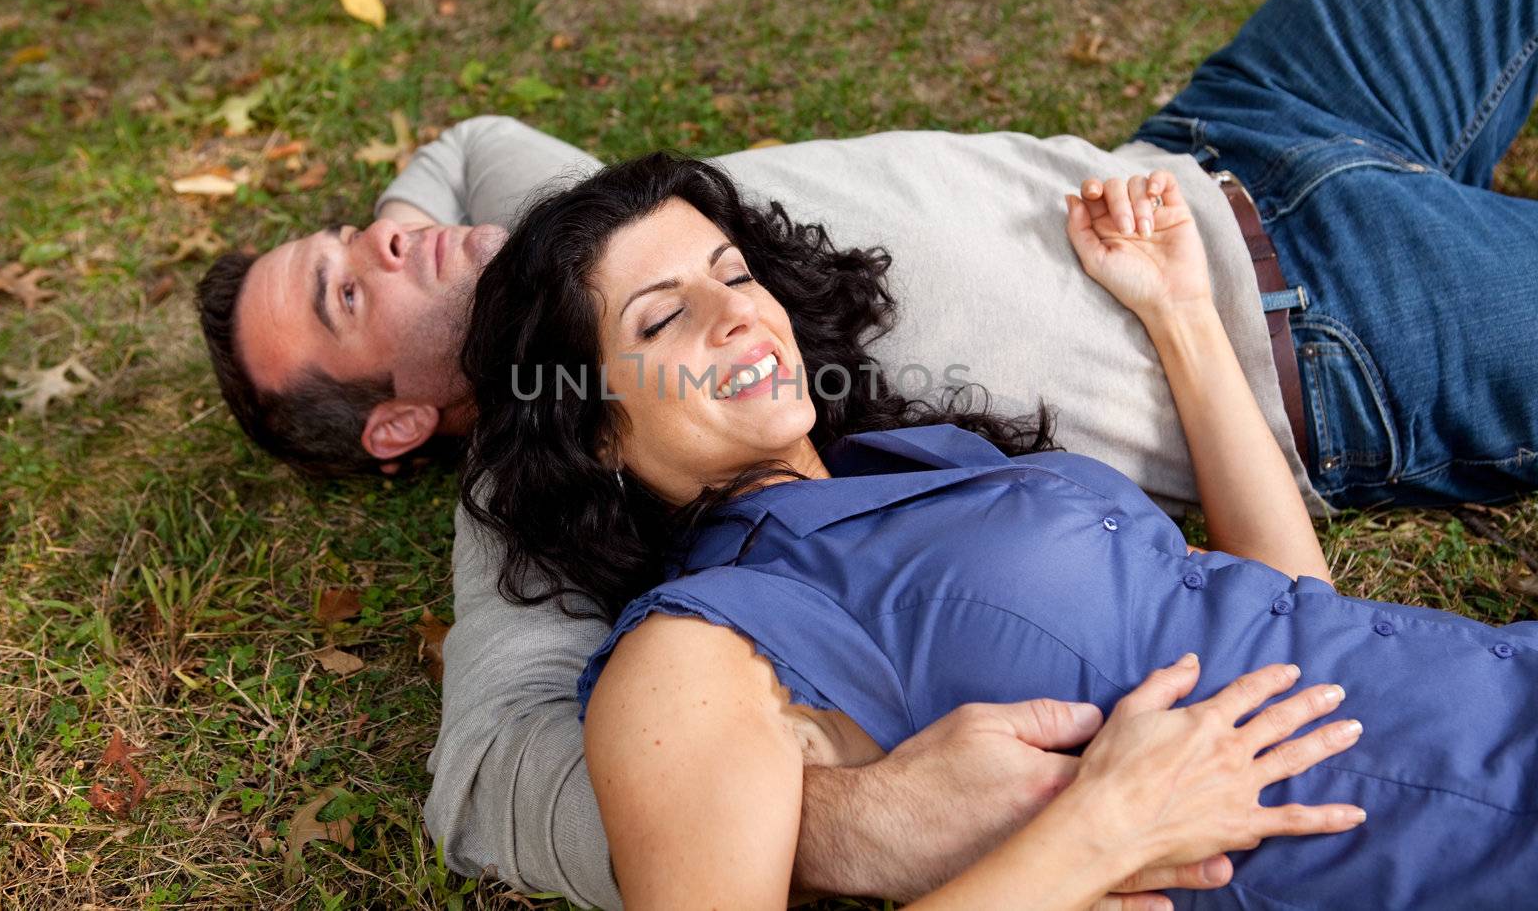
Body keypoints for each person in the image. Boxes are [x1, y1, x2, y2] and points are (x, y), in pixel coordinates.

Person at [192, 0, 1538, 903]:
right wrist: (848, 821)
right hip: (1343, 324)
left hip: (1220, 145)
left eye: (734, 270)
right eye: (346, 289)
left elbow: (468, 144)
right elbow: (490, 775)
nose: (385, 230)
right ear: (424, 419)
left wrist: (1179, 309)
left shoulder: (578, 240)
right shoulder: (595, 549)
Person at [461, 149, 1536, 909]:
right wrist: (1096, 830)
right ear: (594, 429)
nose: (735, 313)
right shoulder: (690, 648)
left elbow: (1294, 616)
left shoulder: (919, 460)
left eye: (731, 273)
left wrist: (1180, 313)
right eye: (661, 317)